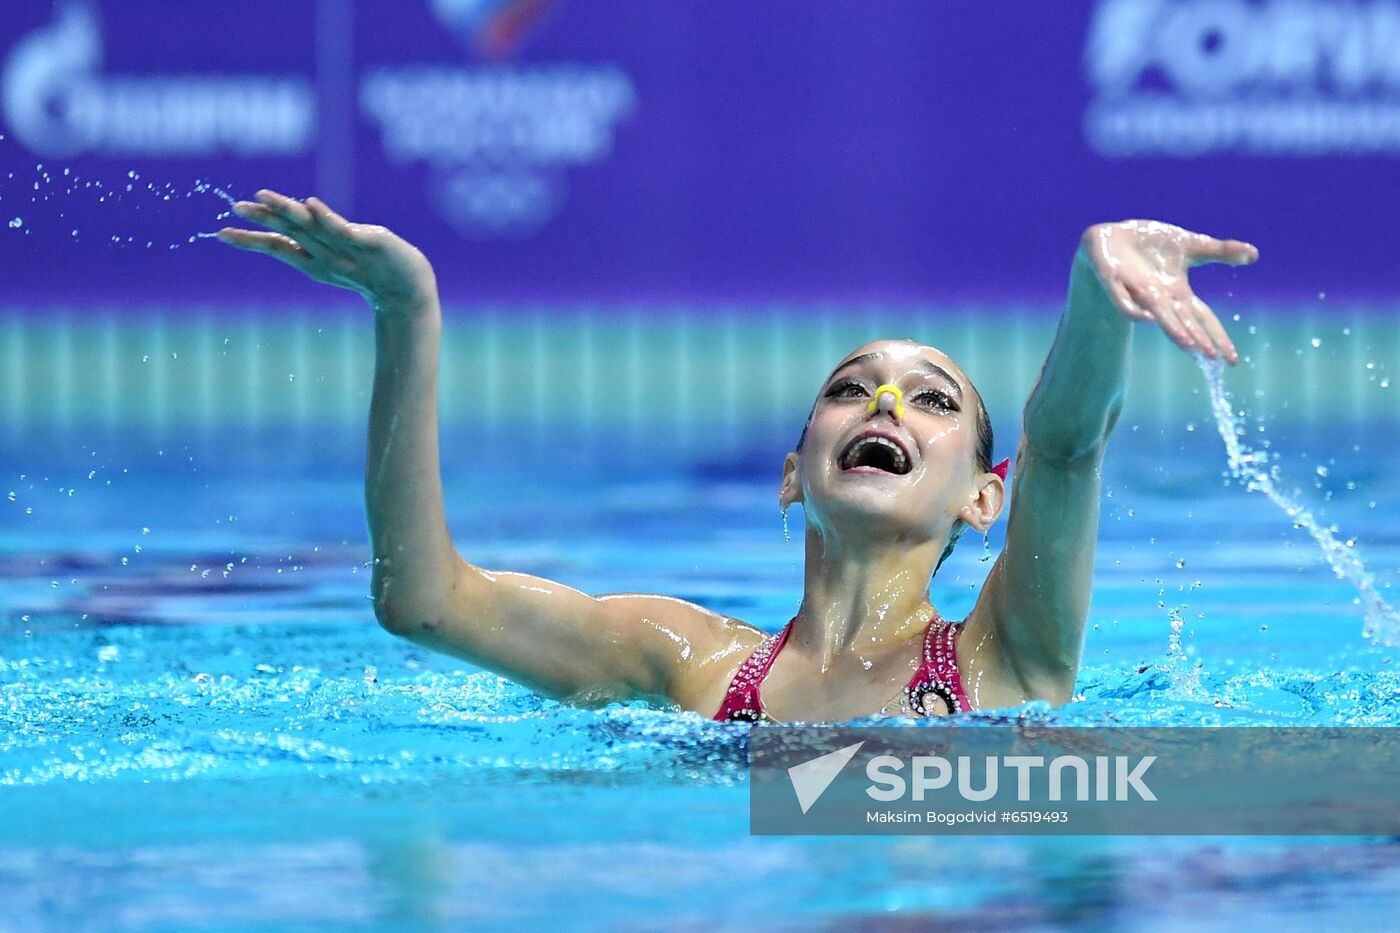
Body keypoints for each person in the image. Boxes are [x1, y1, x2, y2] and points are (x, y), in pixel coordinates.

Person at [220, 193, 1257, 722]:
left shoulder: (1002, 657)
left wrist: (1095, 283)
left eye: (930, 400)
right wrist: (409, 312)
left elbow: (1067, 446)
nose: (883, 400)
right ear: (790, 471)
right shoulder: (689, 662)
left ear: (985, 500)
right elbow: (427, 604)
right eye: (849, 388)